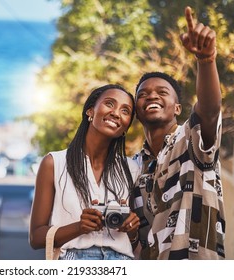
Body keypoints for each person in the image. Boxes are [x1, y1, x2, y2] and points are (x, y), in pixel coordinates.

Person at [131, 6, 225, 259]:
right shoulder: (134, 168)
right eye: (143, 94)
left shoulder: (191, 140)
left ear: (177, 108)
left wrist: (206, 60)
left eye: (162, 92)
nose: (151, 95)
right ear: (136, 111)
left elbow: (209, 110)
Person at [29, 84, 140, 260]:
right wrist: (80, 227)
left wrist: (132, 229)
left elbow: (135, 241)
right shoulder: (54, 163)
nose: (116, 113)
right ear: (90, 111)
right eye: (109, 104)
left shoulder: (132, 169)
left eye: (125, 111)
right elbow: (36, 237)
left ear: (126, 127)